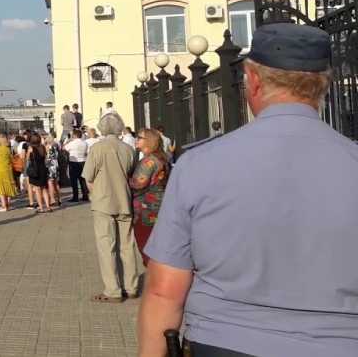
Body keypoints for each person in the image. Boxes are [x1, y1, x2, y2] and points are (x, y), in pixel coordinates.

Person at [138, 24, 358, 357]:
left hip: (223, 341)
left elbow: (163, 293)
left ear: (252, 80)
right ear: (323, 84)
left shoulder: (200, 165)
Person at [82, 113, 139, 304]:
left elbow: (88, 177)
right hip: (125, 200)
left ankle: (113, 290)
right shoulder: (128, 149)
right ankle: (131, 287)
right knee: (127, 246)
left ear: (101, 128)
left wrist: (93, 195)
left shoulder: (97, 149)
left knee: (107, 246)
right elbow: (132, 173)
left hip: (103, 201)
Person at [129, 128, 168, 264]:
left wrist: (125, 179)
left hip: (146, 209)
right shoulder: (161, 157)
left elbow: (138, 183)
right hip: (160, 206)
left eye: (139, 137)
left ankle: (156, 277)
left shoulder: (148, 161)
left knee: (145, 243)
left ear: (149, 142)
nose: (136, 139)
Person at [0, 133, 18, 212]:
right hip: (8, 170)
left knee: (1, 188)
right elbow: (12, 159)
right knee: (8, 187)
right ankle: (8, 205)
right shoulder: (7, 149)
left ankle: (3, 206)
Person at [26, 134, 51, 213]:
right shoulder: (43, 147)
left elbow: (27, 159)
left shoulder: (31, 148)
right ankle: (48, 207)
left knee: (37, 189)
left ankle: (41, 207)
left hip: (35, 170)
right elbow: (45, 157)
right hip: (43, 169)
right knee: (44, 189)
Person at [64, 129, 90, 202]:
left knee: (74, 180)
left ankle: (75, 197)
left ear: (74, 135)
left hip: (74, 162)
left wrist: (68, 140)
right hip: (83, 161)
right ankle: (85, 195)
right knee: (82, 180)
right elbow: (87, 152)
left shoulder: (72, 143)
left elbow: (64, 148)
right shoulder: (85, 143)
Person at [43, 133, 62, 207]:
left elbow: (46, 157)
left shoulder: (47, 147)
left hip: (49, 166)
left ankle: (52, 199)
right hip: (55, 165)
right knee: (56, 183)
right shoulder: (55, 146)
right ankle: (59, 199)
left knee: (50, 182)